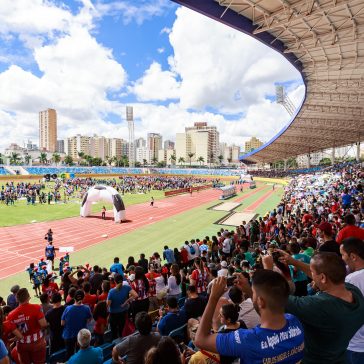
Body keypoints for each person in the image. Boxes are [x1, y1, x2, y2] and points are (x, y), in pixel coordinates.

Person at [195, 272, 304, 363]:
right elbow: (269, 310)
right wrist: (249, 290)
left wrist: (213, 297)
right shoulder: (295, 321)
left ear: (260, 301)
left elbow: (200, 340)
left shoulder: (247, 340)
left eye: (254, 293)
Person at [282, 251, 364, 363]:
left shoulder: (319, 305)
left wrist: (267, 268)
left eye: (312, 272)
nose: (311, 276)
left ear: (323, 278)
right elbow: (327, 276)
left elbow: (277, 299)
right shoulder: (355, 292)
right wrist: (294, 262)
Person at [7, 288, 48, 364]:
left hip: (22, 345)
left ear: (17, 299)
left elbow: (18, 336)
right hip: (38, 342)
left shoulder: (11, 315)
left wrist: (10, 340)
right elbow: (43, 324)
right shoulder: (37, 307)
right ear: (28, 297)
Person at [340, 238, 364, 364]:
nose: (342, 259)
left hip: (357, 347)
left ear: (353, 256)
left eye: (343, 254)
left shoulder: (351, 280)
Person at [61, 289, 92, 360]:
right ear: (83, 298)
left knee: (69, 353)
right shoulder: (86, 308)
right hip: (81, 335)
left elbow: (62, 323)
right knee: (80, 353)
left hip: (69, 335)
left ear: (73, 298)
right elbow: (88, 320)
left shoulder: (68, 308)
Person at [107, 274, 138, 340]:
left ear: (115, 281)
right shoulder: (126, 287)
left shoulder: (111, 292)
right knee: (122, 330)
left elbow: (108, 305)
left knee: (114, 332)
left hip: (114, 314)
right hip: (123, 312)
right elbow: (136, 295)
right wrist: (126, 302)